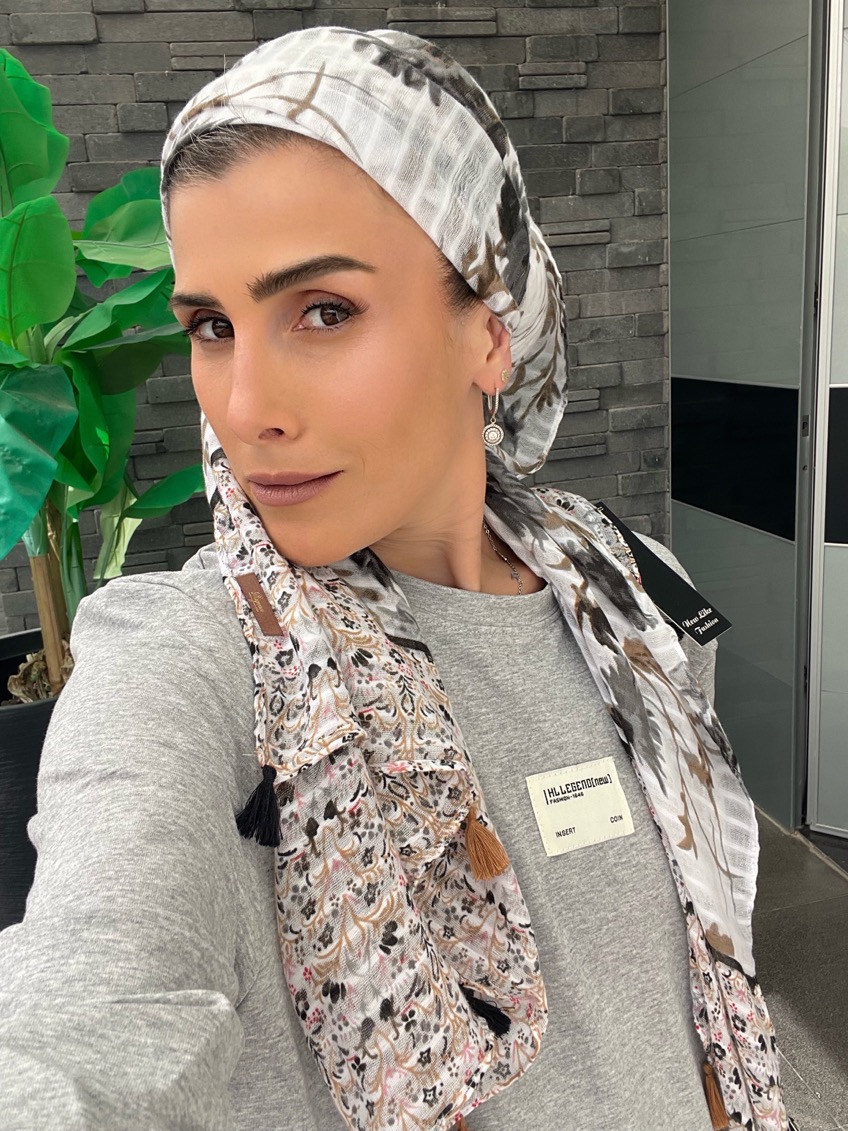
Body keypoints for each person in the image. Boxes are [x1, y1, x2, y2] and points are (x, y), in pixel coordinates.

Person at [0, 26, 787, 1131]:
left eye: (323, 311)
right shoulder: (193, 656)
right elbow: (87, 1011)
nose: (245, 408)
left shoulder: (630, 591)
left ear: (490, 331)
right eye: (212, 325)